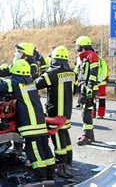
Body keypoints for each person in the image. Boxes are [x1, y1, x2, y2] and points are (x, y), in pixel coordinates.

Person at [0, 60, 55, 182]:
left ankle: (40, 176)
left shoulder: (14, 81)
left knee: (34, 150)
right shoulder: (30, 81)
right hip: (40, 121)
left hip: (30, 124)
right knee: (45, 147)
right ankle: (51, 173)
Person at [35, 46, 75, 178]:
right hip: (67, 112)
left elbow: (37, 84)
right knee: (65, 135)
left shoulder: (51, 73)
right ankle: (69, 161)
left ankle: (61, 167)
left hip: (55, 113)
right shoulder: (71, 73)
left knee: (58, 139)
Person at [74, 36, 99, 145]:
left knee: (86, 112)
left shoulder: (91, 55)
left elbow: (93, 74)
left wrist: (89, 88)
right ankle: (90, 135)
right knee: (86, 111)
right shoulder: (84, 57)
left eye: (77, 45)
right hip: (84, 88)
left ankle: (86, 136)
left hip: (88, 89)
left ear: (82, 46)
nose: (76, 47)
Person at [93, 51, 109, 118]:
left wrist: (99, 80)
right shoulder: (90, 61)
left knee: (102, 99)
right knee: (92, 99)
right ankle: (92, 113)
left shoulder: (102, 61)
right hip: (93, 83)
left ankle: (101, 114)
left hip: (101, 83)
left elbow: (104, 72)